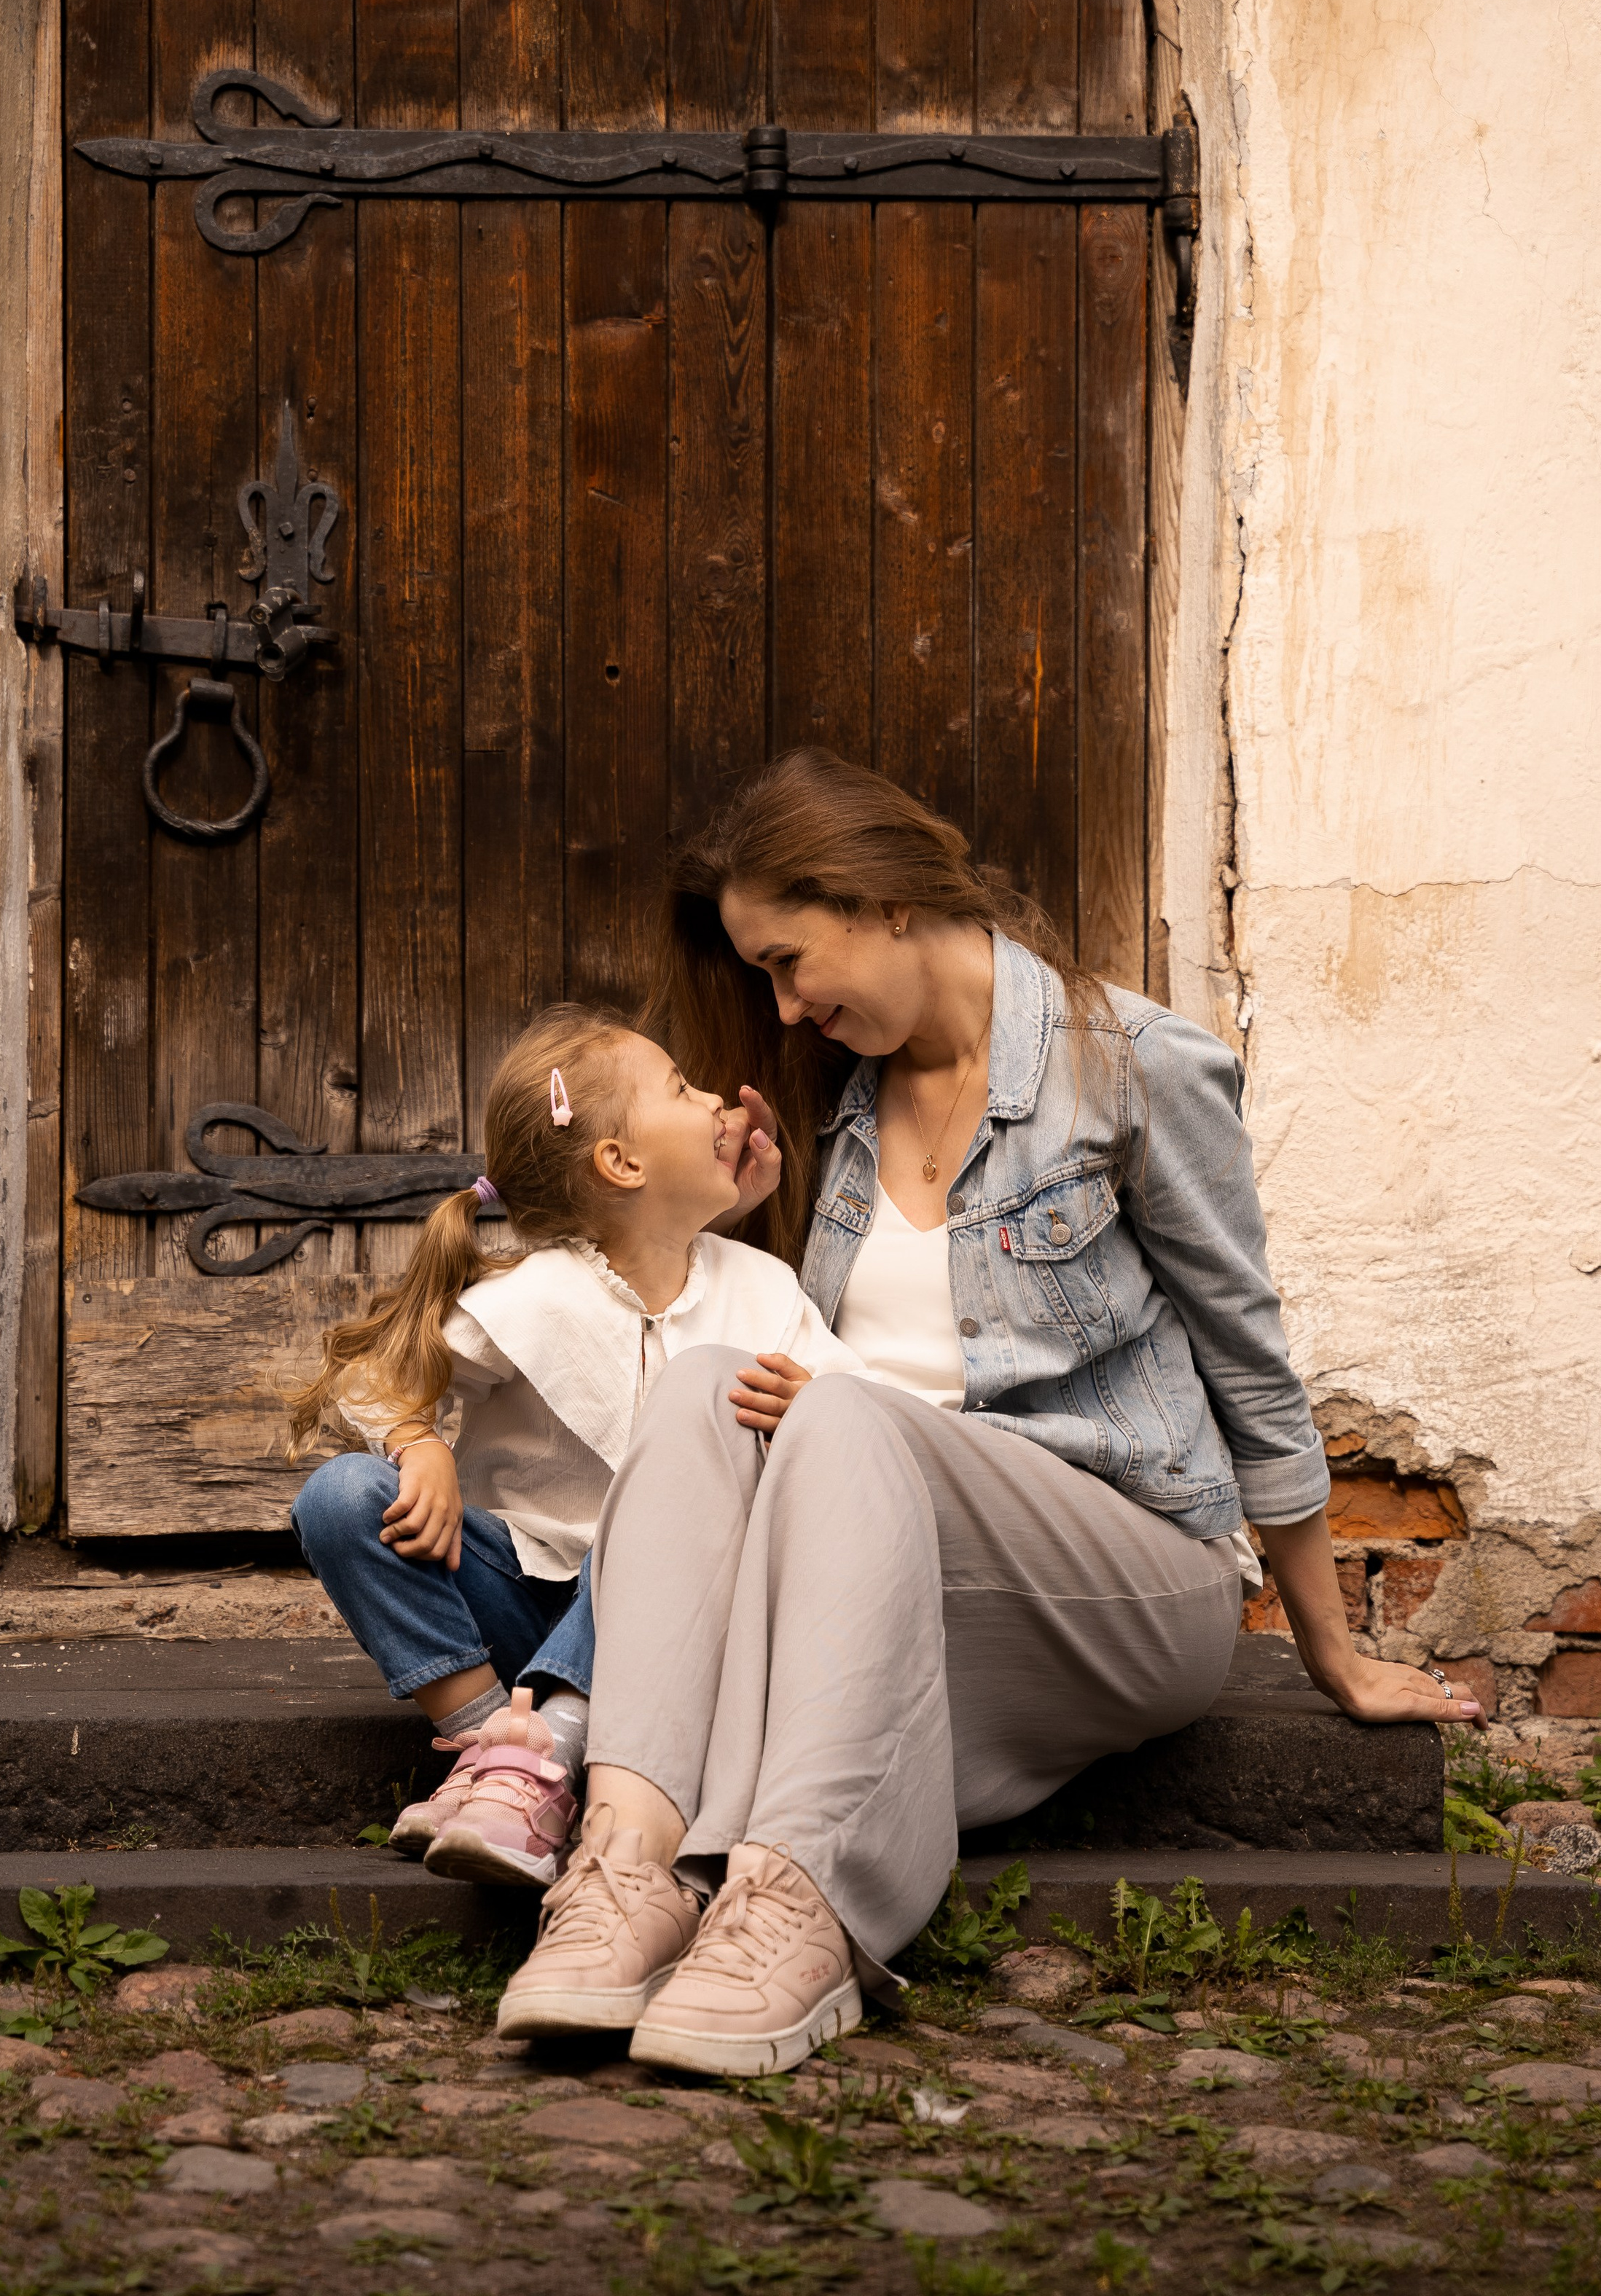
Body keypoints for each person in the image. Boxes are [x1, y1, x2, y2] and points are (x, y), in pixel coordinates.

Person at [496, 751, 1487, 2067]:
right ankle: (630, 1869)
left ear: (884, 900)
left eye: (789, 961)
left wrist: (1332, 1650)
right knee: (700, 1386)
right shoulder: (837, 1100)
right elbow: (771, 1346)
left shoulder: (1134, 1065)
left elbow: (1248, 1360)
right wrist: (727, 1217)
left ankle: (803, 1899)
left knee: (844, 1415)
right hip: (885, 1564)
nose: (782, 1007)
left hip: (1125, 1571)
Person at [287, 998, 858, 1891]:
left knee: (642, 1527)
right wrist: (418, 1445)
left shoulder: (762, 1288)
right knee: (340, 1499)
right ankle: (493, 1749)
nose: (718, 1101)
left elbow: (858, 1413)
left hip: (676, 1629)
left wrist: (813, 1403)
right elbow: (373, 1377)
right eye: (682, 1088)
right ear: (621, 1162)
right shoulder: (536, 1296)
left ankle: (548, 1750)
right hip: (522, 1600)